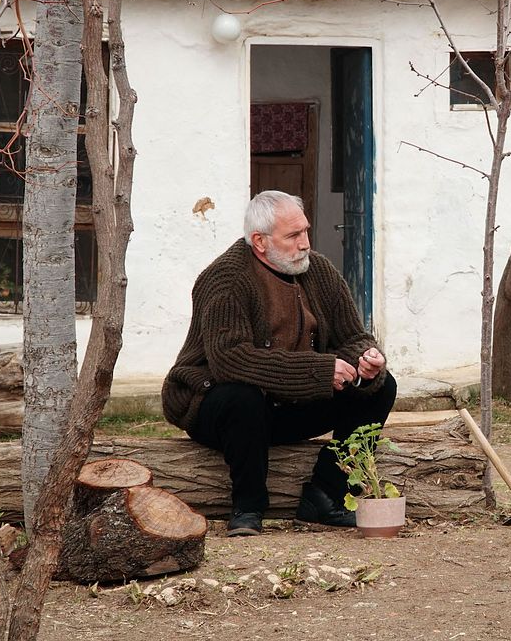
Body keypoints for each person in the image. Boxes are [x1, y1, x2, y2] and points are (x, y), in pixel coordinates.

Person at [162, 190, 395, 537]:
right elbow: (230, 360)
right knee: (242, 398)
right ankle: (247, 507)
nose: (304, 243)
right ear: (259, 241)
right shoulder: (225, 279)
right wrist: (318, 371)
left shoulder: (319, 271)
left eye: (305, 231)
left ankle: (325, 495)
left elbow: (352, 336)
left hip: (288, 405)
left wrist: (364, 361)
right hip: (216, 407)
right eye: (293, 236)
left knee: (381, 387)